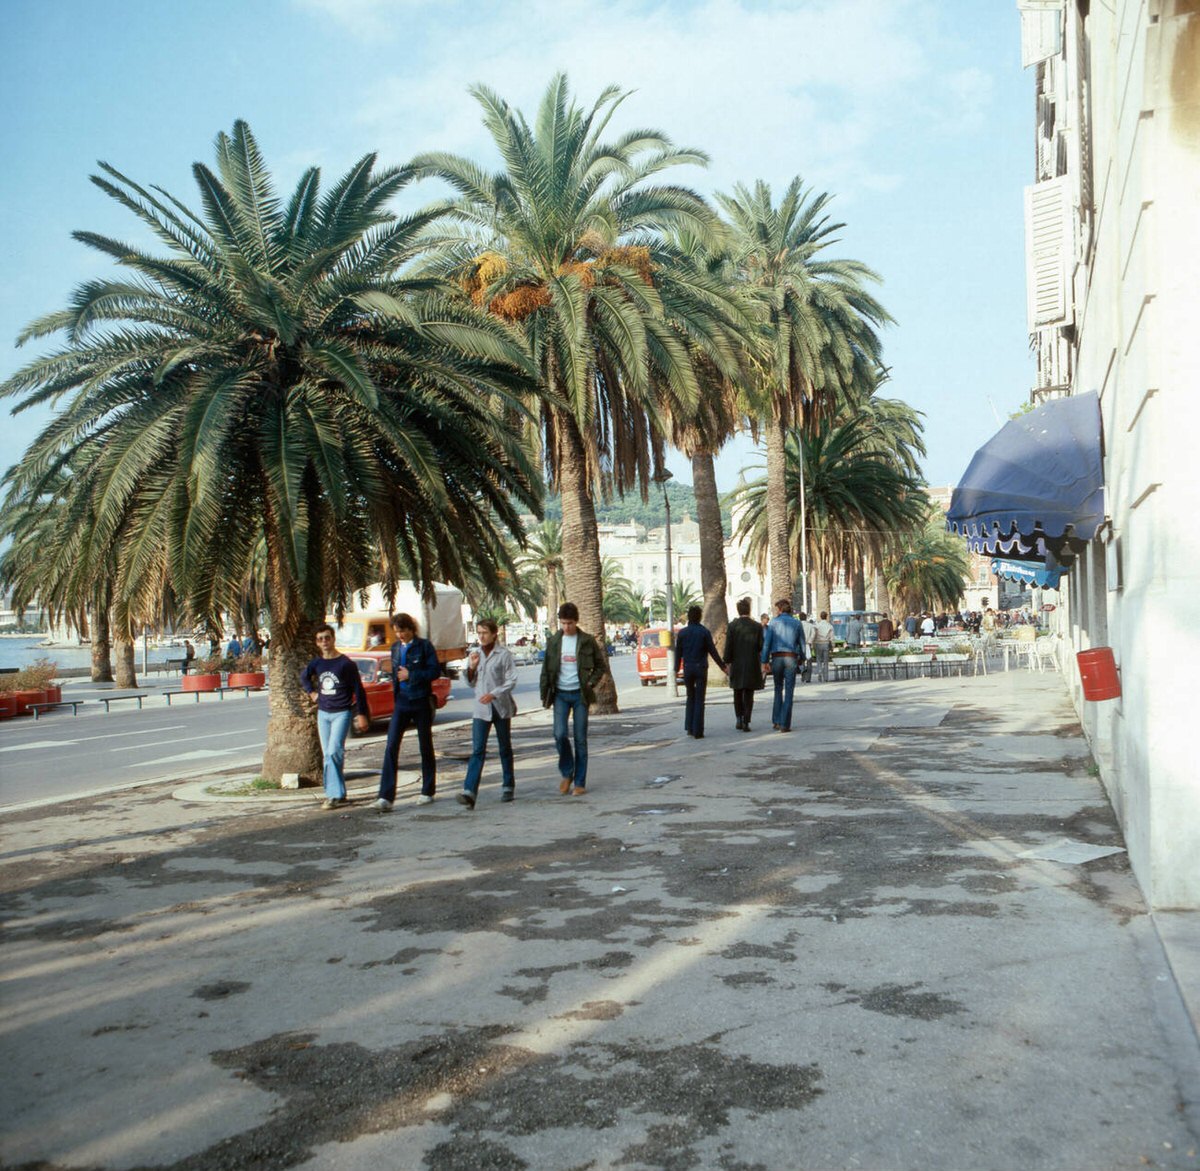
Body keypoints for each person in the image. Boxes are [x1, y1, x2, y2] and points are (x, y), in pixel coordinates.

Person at [539, 602, 606, 795]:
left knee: (580, 739)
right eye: (563, 623)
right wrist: (544, 694)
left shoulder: (586, 641)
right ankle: (567, 772)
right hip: (560, 694)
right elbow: (545, 670)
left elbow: (600, 666)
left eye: (570, 623)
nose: (566, 627)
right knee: (559, 734)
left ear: (576, 622)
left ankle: (580, 782)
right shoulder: (553, 642)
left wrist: (590, 683)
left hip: (580, 695)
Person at [301, 624, 369, 809]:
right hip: (323, 713)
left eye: (327, 638)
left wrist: (362, 714)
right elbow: (304, 677)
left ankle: (333, 795)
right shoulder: (317, 663)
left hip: (342, 712)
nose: (324, 642)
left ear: (333, 639)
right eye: (320, 639)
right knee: (330, 755)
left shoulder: (345, 664)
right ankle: (339, 793)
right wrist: (312, 693)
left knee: (333, 752)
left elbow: (358, 690)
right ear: (317, 642)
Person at [376, 612, 440, 810]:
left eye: (403, 631)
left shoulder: (424, 646)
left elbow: (435, 671)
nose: (400, 635)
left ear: (411, 629)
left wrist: (412, 675)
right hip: (402, 702)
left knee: (425, 746)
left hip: (420, 700)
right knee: (391, 746)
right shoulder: (395, 648)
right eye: (396, 632)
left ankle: (427, 791)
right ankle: (386, 796)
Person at [458, 619, 517, 809]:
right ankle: (469, 791)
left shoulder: (504, 655)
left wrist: (494, 693)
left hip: (500, 706)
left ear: (494, 634)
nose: (481, 636)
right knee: (477, 749)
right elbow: (469, 682)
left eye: (485, 632)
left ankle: (508, 785)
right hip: (481, 710)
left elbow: (511, 680)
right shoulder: (475, 655)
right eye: (479, 633)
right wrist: (472, 667)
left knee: (504, 747)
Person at [673, 605, 728, 739]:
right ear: (700, 617)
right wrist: (723, 666)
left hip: (688, 668)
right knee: (700, 699)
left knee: (690, 696)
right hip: (701, 668)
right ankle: (698, 730)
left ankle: (690, 727)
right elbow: (712, 651)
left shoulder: (682, 633)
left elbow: (678, 653)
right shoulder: (704, 632)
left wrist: (675, 670)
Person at [761, 599, 806, 732]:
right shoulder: (797, 623)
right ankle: (785, 724)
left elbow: (767, 643)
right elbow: (802, 643)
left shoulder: (773, 623)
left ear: (780, 610)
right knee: (789, 690)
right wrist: (802, 658)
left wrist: (764, 661)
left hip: (777, 658)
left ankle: (776, 720)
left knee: (777, 688)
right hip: (791, 658)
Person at [723, 598, 764, 731]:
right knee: (749, 694)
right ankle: (747, 720)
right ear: (749, 609)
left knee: (737, 692)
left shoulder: (732, 626)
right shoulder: (757, 626)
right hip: (752, 663)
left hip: (737, 664)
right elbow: (760, 646)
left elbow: (728, 646)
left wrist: (727, 662)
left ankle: (739, 718)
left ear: (738, 610)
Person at [812, 611, 835, 683]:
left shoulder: (817, 626)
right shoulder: (830, 626)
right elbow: (832, 637)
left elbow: (814, 635)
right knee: (826, 661)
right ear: (826, 617)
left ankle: (819, 672)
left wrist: (813, 644)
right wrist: (833, 646)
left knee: (818, 660)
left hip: (818, 643)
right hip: (826, 643)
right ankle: (826, 677)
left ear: (820, 617)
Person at [798, 611, 817, 682]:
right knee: (809, 661)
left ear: (799, 618)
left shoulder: (798, 625)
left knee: (800, 660)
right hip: (807, 644)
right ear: (806, 618)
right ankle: (808, 678)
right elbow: (813, 634)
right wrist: (810, 641)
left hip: (799, 645)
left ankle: (802, 671)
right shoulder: (810, 625)